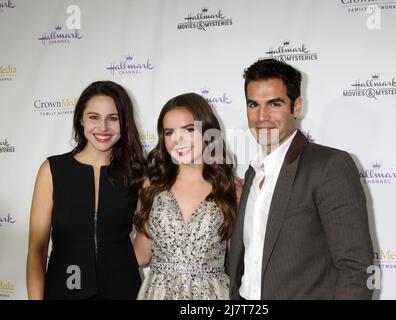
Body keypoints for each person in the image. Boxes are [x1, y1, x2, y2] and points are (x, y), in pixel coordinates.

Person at [228, 59, 374, 300]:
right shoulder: (252, 173)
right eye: (253, 105)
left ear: (296, 107)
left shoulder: (329, 166)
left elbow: (356, 268)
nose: (262, 116)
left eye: (274, 104)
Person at [26, 81, 147, 300]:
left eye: (113, 118)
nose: (103, 127)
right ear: (81, 119)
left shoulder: (138, 173)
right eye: (94, 117)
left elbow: (146, 248)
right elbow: (37, 249)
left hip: (123, 290)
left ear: (124, 123)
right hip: (63, 290)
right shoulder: (53, 170)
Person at [133, 92, 241, 300]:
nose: (177, 140)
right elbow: (142, 254)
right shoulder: (152, 186)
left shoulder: (230, 188)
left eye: (189, 130)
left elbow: (239, 259)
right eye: (169, 132)